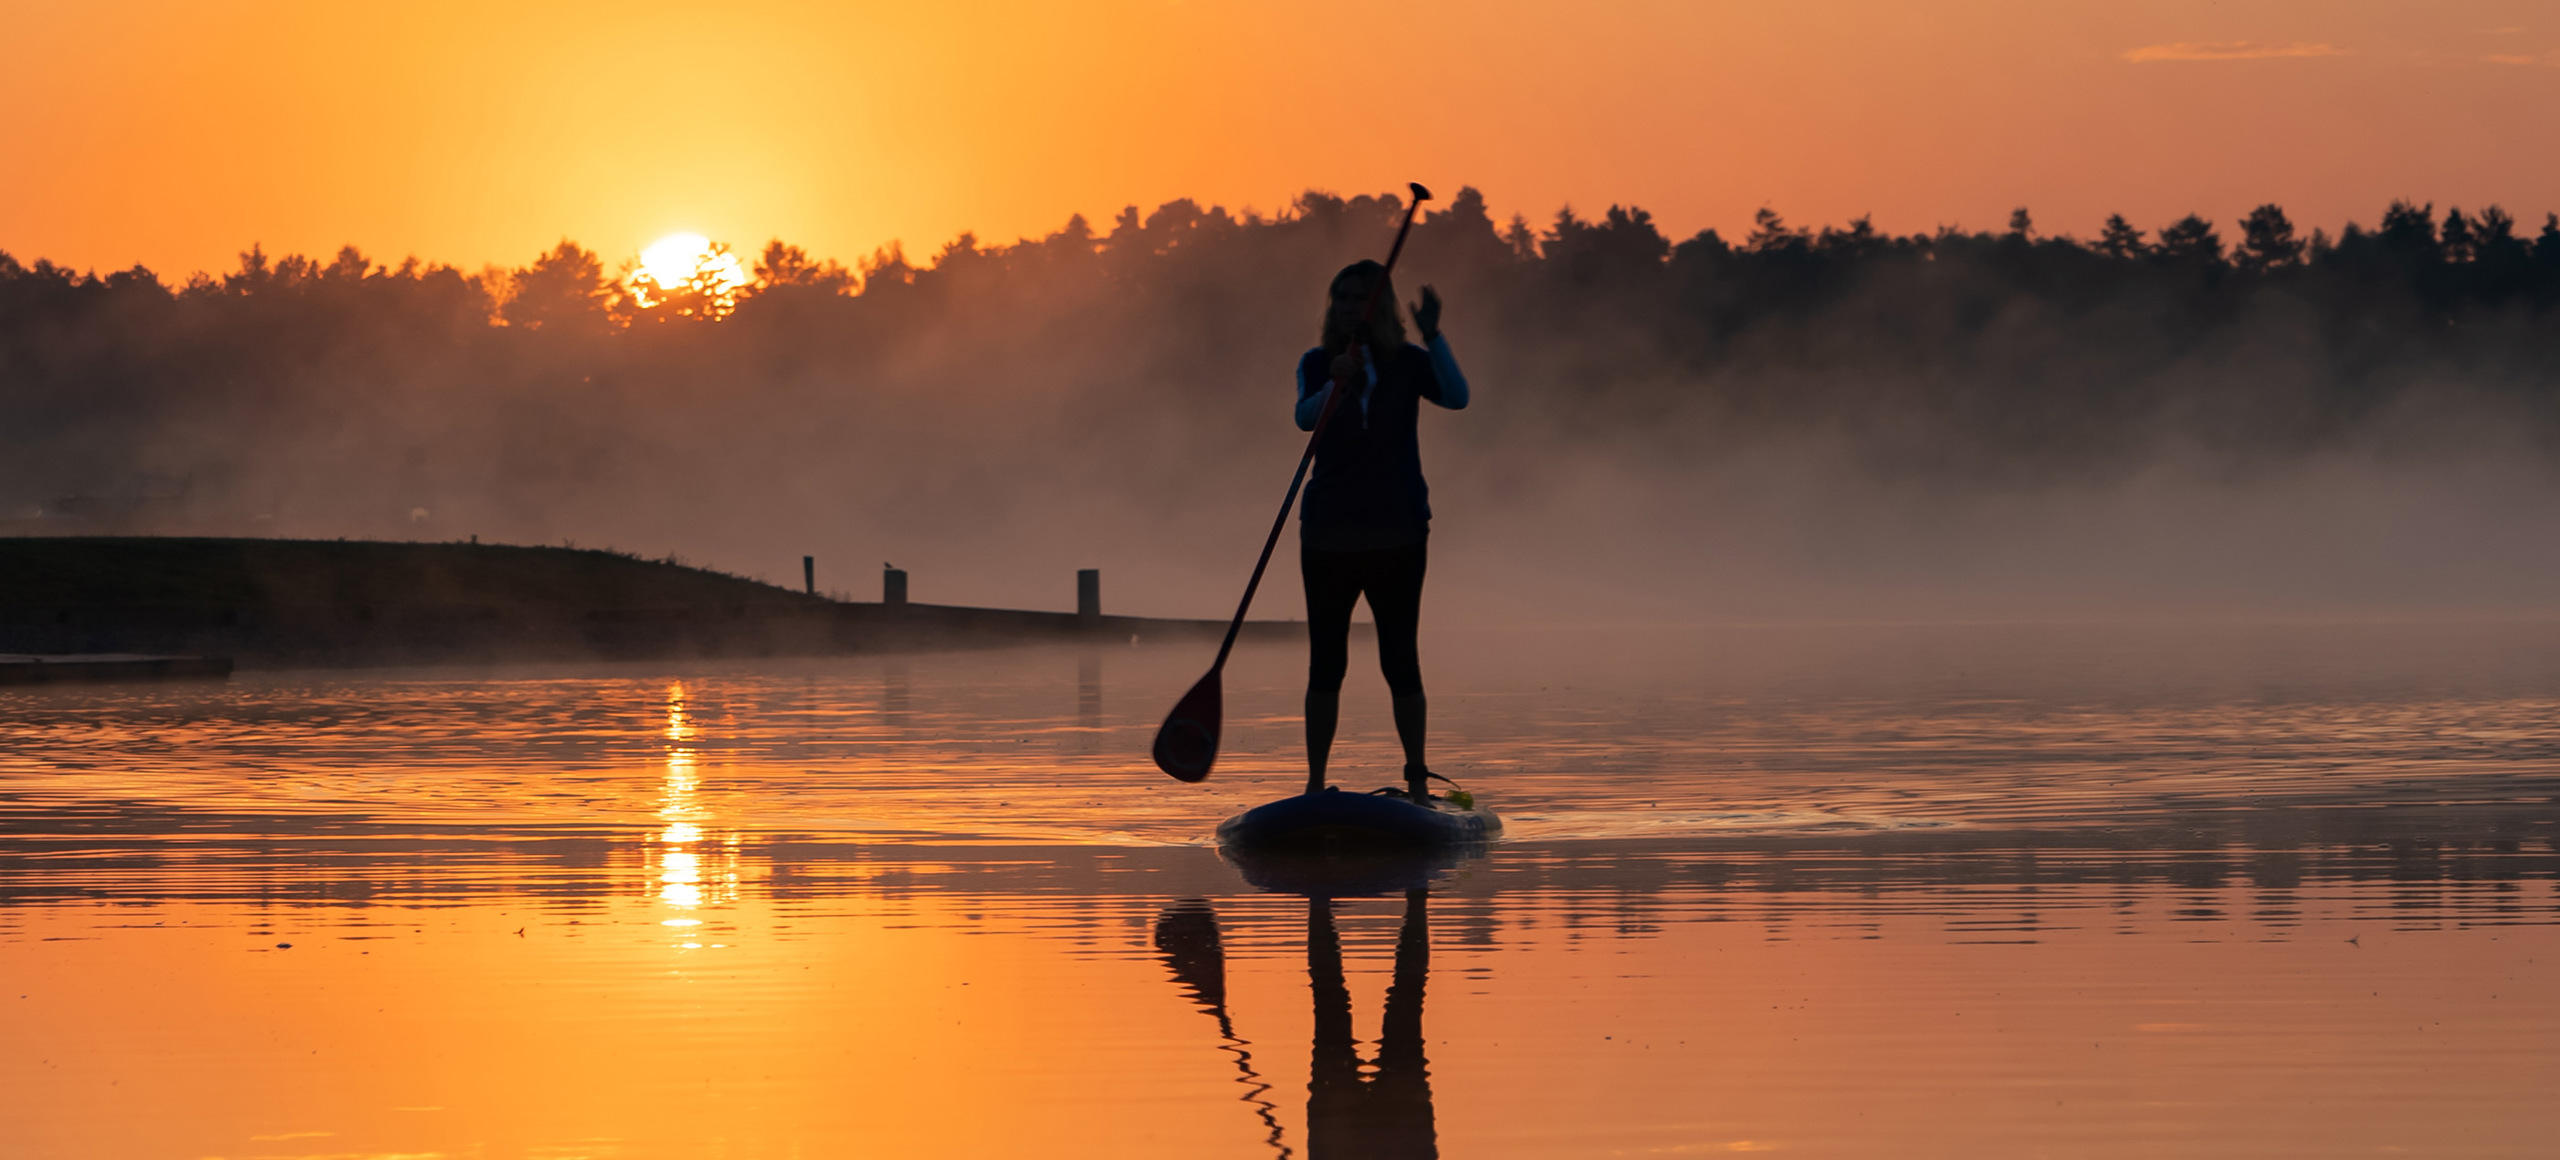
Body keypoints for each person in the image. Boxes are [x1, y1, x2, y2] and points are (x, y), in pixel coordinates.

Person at [1294, 259, 1470, 801]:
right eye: (1342, 298)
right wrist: (1334, 388)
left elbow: (1457, 395)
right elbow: (1304, 417)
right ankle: (1316, 785)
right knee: (1327, 661)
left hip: (1398, 531)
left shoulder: (1410, 362)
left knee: (1400, 657)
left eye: (1361, 298)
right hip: (1328, 533)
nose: (1351, 307)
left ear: (1382, 306)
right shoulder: (1318, 362)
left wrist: (1434, 334)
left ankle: (1416, 778)